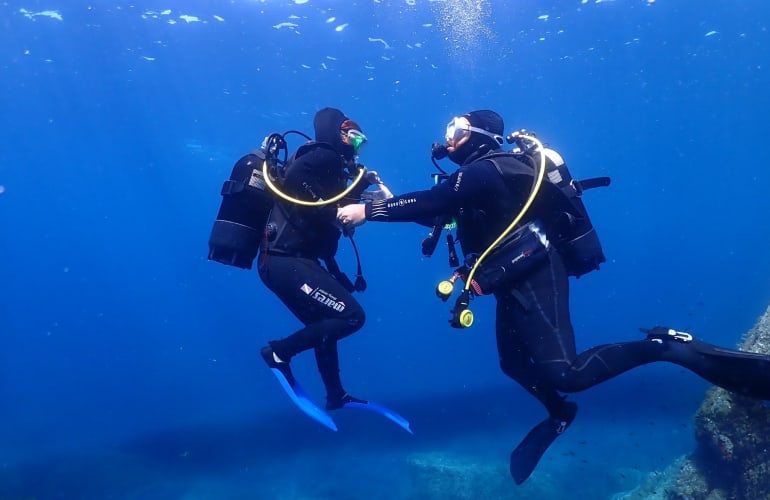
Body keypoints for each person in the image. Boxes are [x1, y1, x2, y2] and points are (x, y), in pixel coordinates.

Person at [337, 109, 770, 483]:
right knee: (512, 363)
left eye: (457, 129)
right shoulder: (479, 177)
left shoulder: (489, 168)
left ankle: (665, 347)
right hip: (511, 278)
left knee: (566, 371)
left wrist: (369, 210)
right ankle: (560, 413)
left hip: (538, 273)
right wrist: (388, 204)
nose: (448, 139)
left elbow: (434, 200)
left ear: (481, 134)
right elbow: (439, 210)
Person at [257, 107, 410, 433]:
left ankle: (335, 395)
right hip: (285, 261)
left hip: (288, 262)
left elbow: (320, 219)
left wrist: (334, 268)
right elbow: (299, 179)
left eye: (360, 140)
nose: (356, 145)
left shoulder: (334, 169)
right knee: (350, 317)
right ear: (333, 132)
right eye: (352, 135)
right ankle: (278, 353)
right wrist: (332, 210)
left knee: (325, 324)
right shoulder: (324, 156)